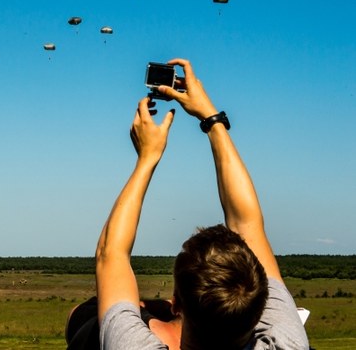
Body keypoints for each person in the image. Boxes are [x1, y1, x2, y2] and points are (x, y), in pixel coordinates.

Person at [95, 59, 309, 349]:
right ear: (263, 308)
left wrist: (147, 158)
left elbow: (111, 254)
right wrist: (212, 118)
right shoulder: (287, 343)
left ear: (176, 305)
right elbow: (247, 223)